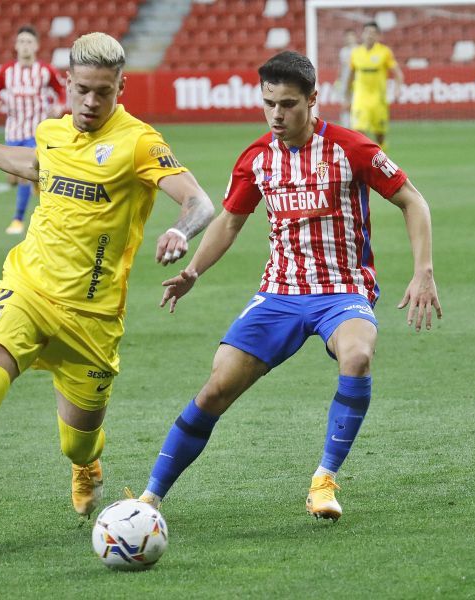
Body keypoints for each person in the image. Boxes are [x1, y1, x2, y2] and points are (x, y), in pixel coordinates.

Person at [0, 32, 214, 572]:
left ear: (121, 88)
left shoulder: (138, 142)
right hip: (27, 291)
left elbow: (199, 201)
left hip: (92, 320)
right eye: (82, 90)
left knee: (77, 446)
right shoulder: (52, 132)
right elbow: (38, 164)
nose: (89, 102)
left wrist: (181, 231)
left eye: (102, 93)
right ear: (67, 83)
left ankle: (87, 464)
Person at [137, 51, 441, 521]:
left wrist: (423, 270)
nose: (277, 114)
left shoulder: (351, 148)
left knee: (357, 355)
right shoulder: (256, 158)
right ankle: (149, 498)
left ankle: (324, 480)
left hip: (342, 290)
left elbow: (412, 201)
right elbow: (230, 223)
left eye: (289, 104)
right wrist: (193, 272)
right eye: (269, 103)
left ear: (313, 100)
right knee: (216, 388)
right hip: (280, 292)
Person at [0, 25, 66, 234]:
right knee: (13, 178)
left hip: (36, 130)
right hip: (13, 130)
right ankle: (35, 184)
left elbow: (61, 91)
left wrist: (59, 105)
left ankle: (17, 220)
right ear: (16, 45)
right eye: (21, 42)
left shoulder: (45, 70)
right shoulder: (7, 71)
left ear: (36, 46)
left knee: (25, 174)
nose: (25, 46)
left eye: (29, 42)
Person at [343, 21, 403, 149]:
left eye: (373, 33)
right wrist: (347, 97)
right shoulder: (355, 53)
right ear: (362, 34)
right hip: (360, 99)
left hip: (378, 100)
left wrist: (398, 88)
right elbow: (350, 76)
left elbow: (398, 73)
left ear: (378, 36)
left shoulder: (384, 52)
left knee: (380, 135)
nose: (370, 35)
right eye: (367, 32)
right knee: (358, 133)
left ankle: (381, 163)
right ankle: (360, 163)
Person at [336, 29, 358, 128]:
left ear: (355, 38)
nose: (349, 39)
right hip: (345, 82)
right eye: (347, 37)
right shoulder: (343, 51)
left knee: (356, 105)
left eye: (351, 36)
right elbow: (341, 67)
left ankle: (356, 125)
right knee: (345, 104)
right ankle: (345, 126)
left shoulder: (359, 50)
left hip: (357, 82)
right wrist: (338, 80)